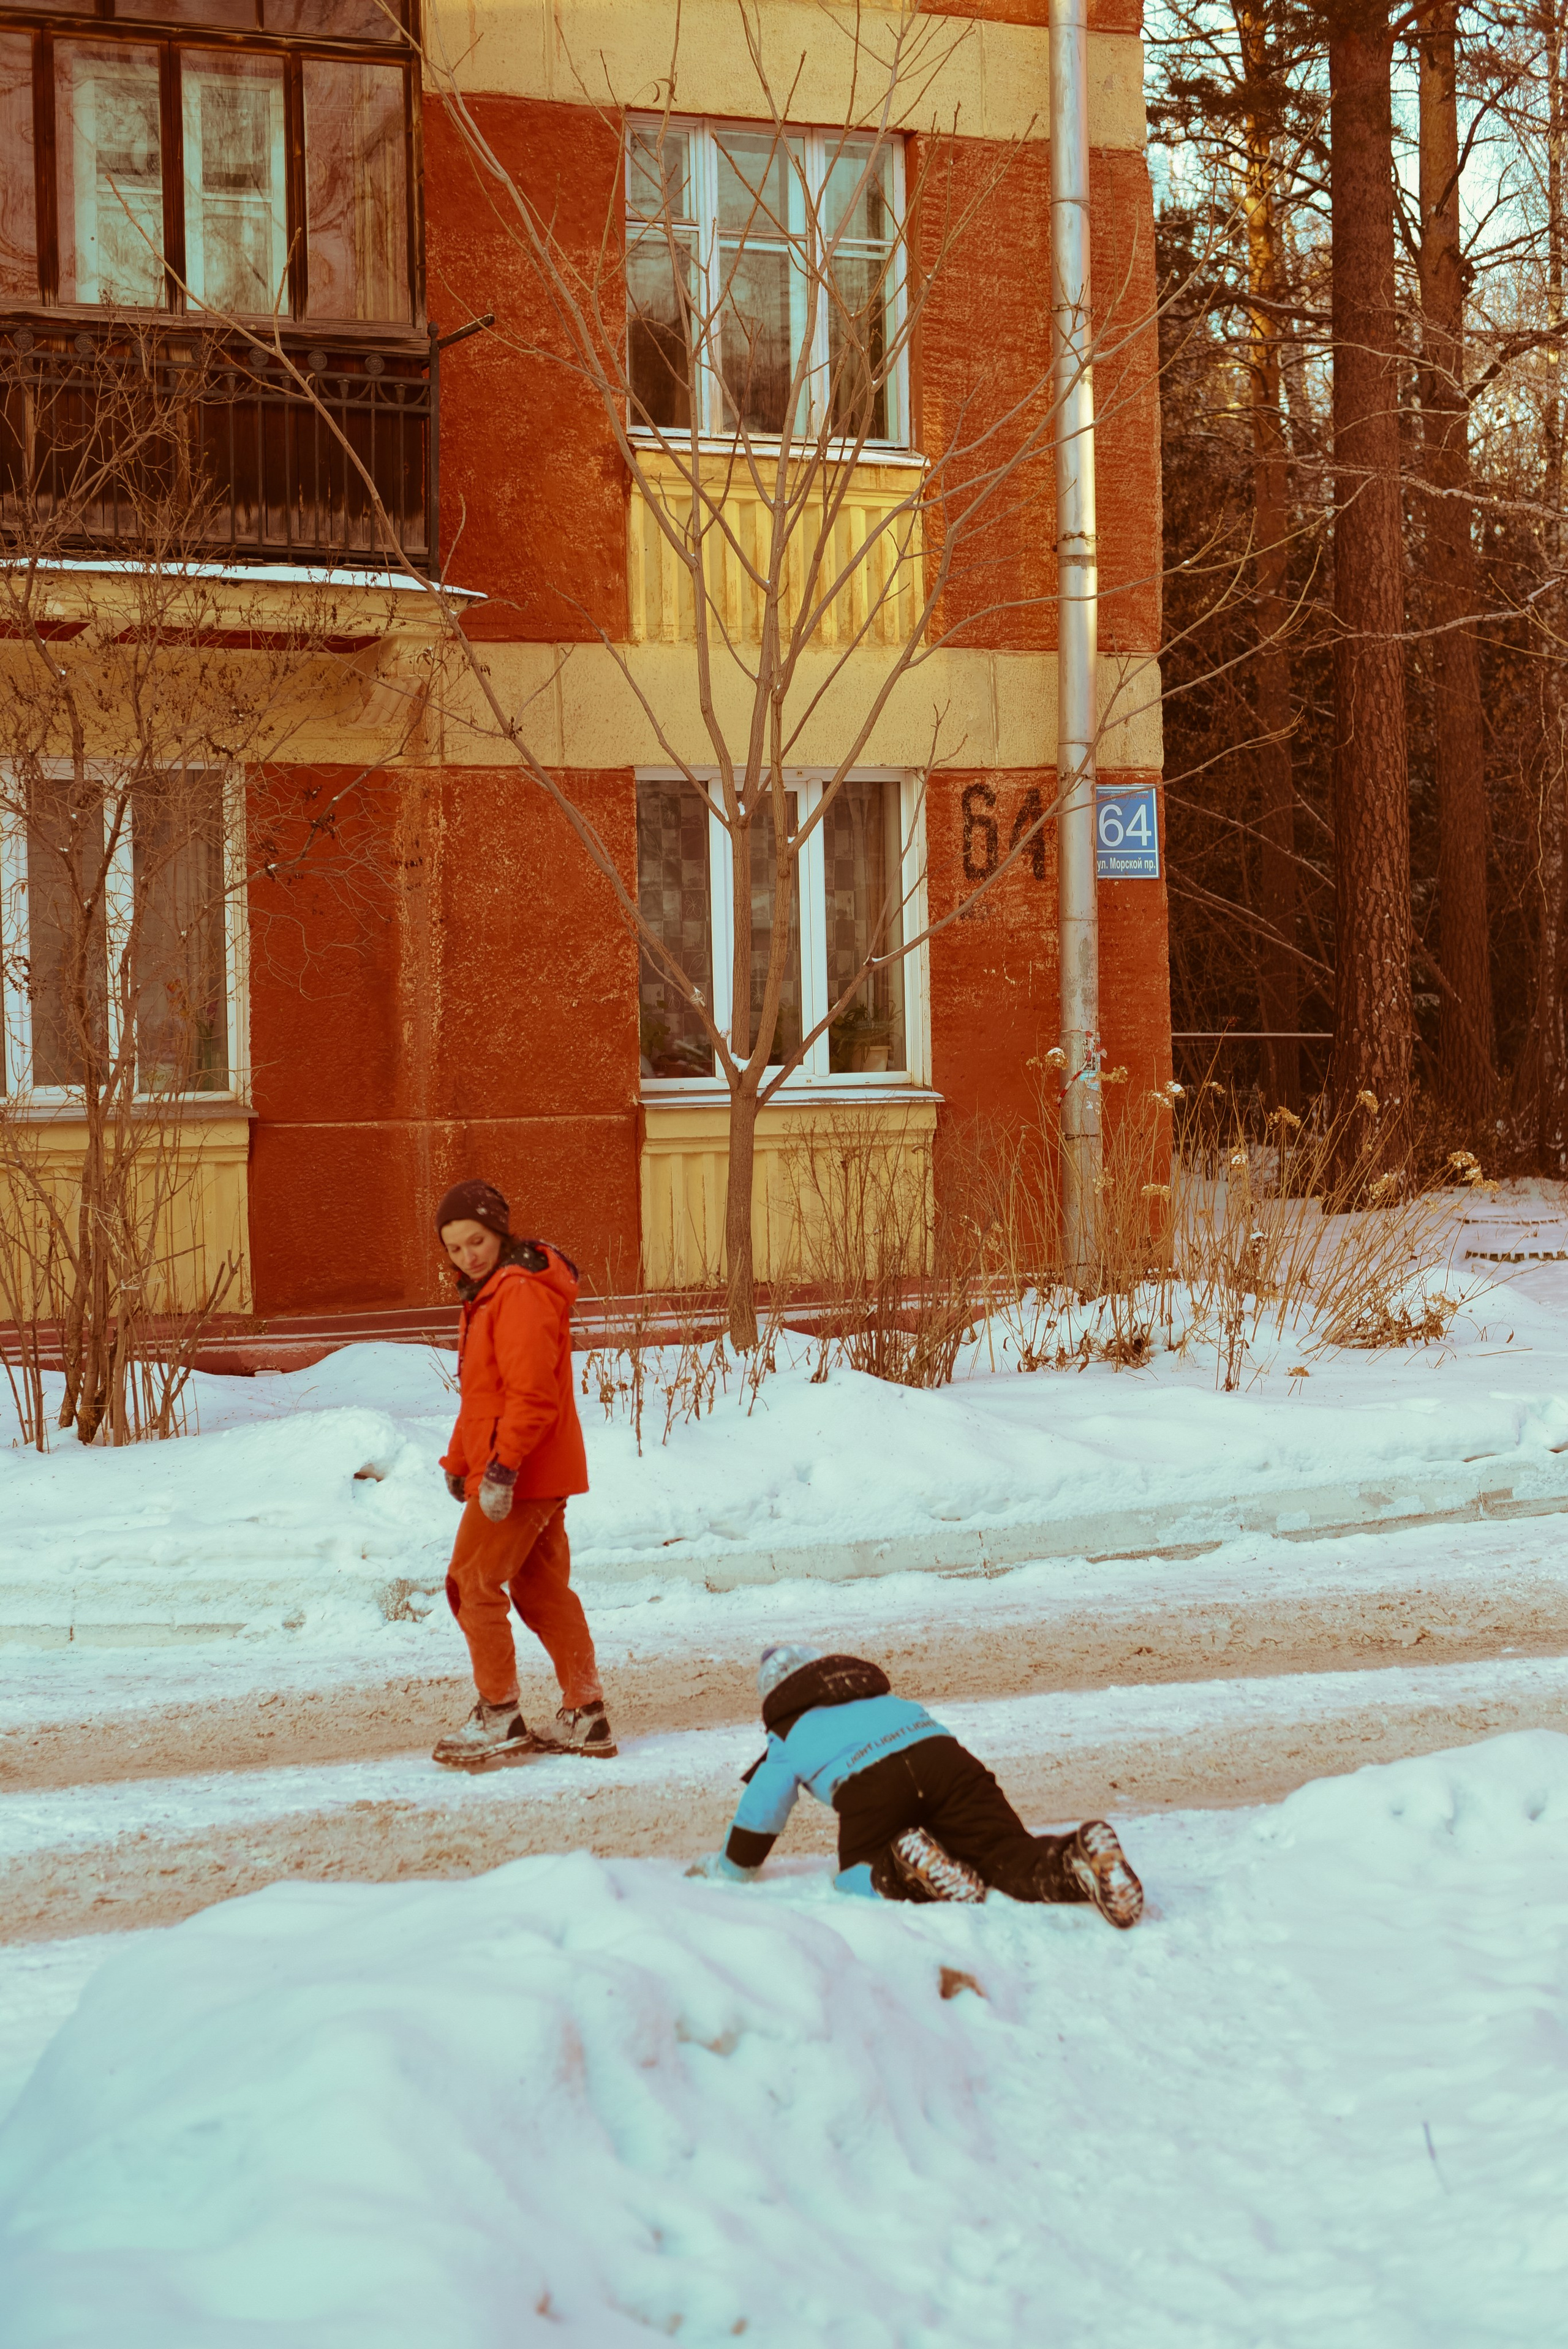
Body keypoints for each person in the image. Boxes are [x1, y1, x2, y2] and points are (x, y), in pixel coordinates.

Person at [690, 1645, 1143, 1923]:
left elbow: (763, 1808)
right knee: (1005, 1851)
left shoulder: (786, 1730)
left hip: (870, 1784)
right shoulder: (879, 1696)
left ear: (773, 1695)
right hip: (945, 1761)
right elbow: (927, 1750)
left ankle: (903, 1867)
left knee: (854, 1873)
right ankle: (1076, 1857)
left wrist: (733, 1868)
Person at [430, 1178, 614, 1769]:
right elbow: (482, 1395)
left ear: (500, 1229)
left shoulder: (518, 1293)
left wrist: (503, 1468)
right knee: (539, 1589)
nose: (467, 1256)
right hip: (526, 1468)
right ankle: (585, 1713)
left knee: (471, 1582)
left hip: (525, 1471)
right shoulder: (490, 1293)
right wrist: (462, 1463)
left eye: (476, 1240)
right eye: (455, 1248)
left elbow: (531, 1396)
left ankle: (498, 1711)